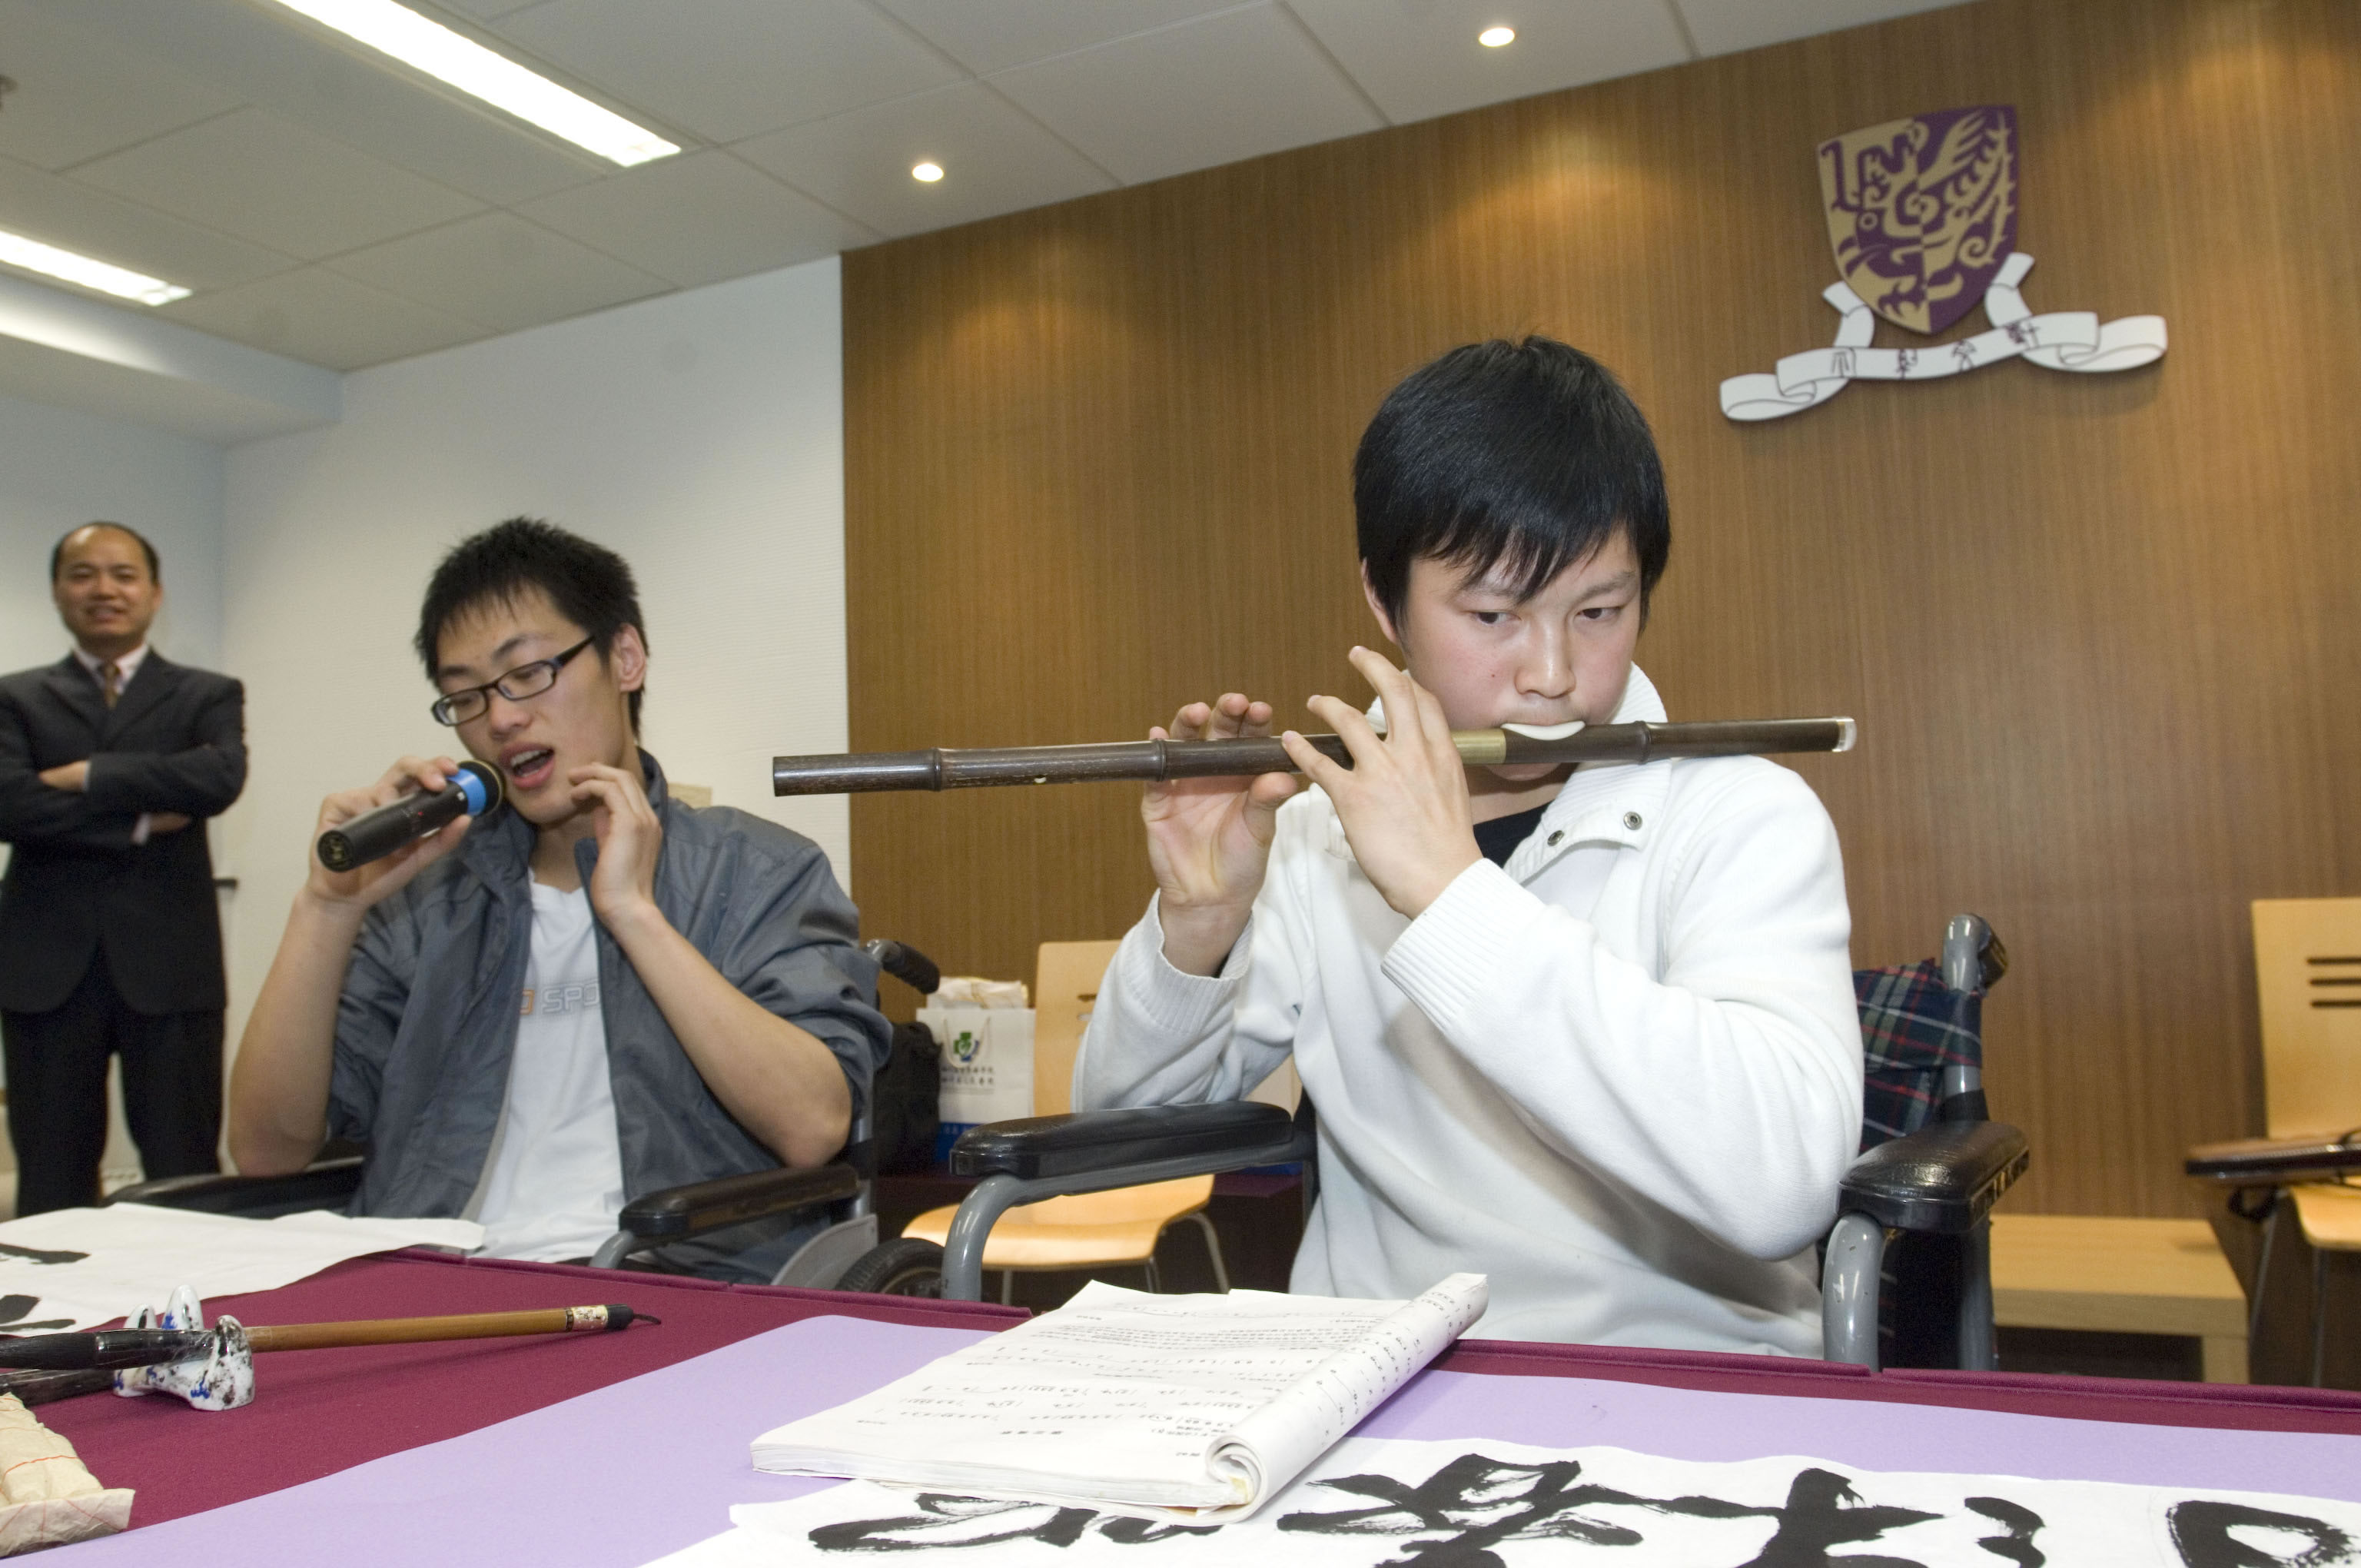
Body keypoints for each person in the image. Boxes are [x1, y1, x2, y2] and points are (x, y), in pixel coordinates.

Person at [1073, 339, 1861, 1354]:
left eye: (1600, 611)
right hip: (1373, 1392)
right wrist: (1199, 925)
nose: (1552, 672)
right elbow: (1110, 1142)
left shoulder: (1743, 817)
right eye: (1493, 613)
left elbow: (1781, 1182)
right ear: (1384, 601)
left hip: (1679, 1392)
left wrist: (1451, 896)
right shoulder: (1316, 839)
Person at [229, 519, 888, 1281]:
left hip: (663, 1285)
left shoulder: (756, 870)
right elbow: (266, 1150)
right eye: (466, 696)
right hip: (429, 1288)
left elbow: (813, 1126)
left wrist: (635, 914)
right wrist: (328, 908)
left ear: (625, 658)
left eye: (531, 672)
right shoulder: (427, 897)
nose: (503, 718)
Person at [0, 523, 247, 1215]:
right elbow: (10, 805)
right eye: (83, 574)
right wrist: (139, 815)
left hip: (172, 966)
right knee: (50, 1181)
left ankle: (189, 1322)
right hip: (44, 970)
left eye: (123, 574)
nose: (103, 589)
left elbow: (218, 779)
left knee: (186, 1174)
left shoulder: (208, 693)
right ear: (57, 589)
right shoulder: (13, 698)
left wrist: (87, 775)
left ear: (154, 592)